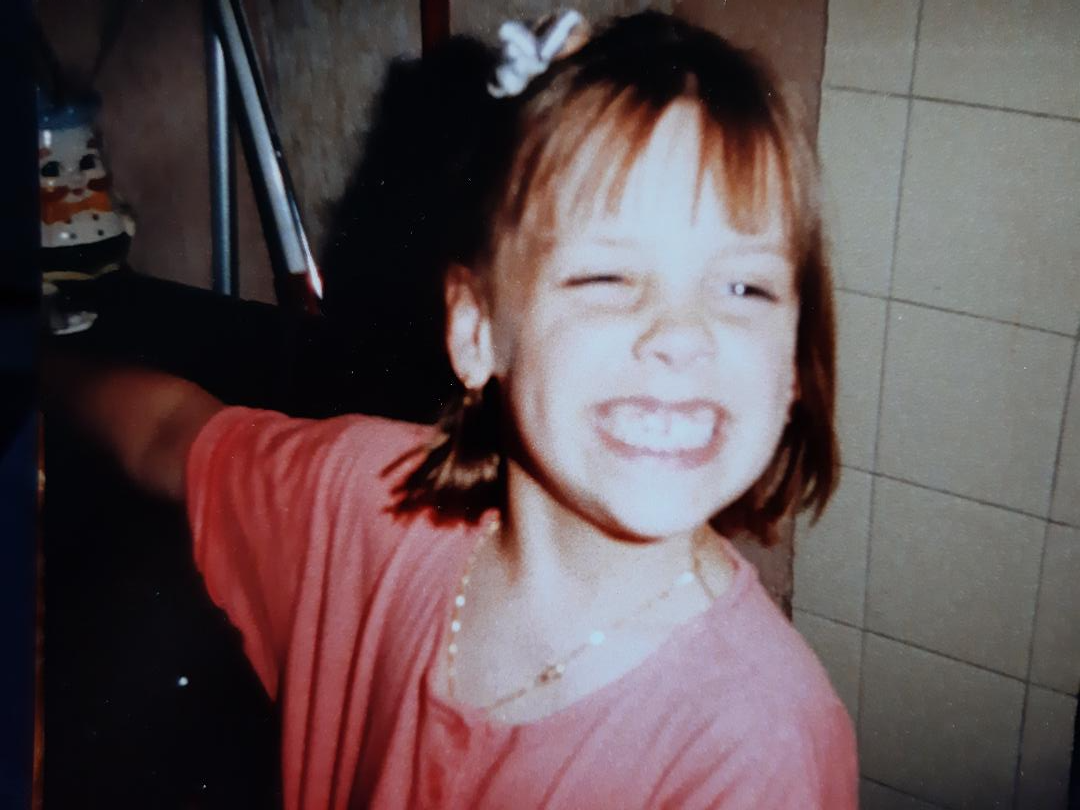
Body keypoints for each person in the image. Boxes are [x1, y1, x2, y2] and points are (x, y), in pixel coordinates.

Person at [50, 10, 857, 808]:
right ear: (475, 333)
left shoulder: (762, 752)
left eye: (744, 287)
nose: (683, 335)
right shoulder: (368, 504)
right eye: (607, 276)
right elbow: (166, 432)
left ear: (795, 363)